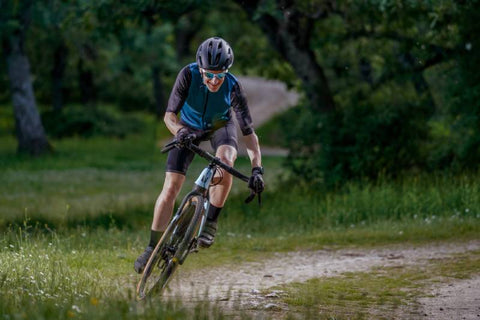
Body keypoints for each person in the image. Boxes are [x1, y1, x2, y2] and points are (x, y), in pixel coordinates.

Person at [134, 37, 264, 273]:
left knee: (226, 160)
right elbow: (169, 116)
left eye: (220, 75)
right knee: (171, 186)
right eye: (209, 75)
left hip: (220, 127)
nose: (214, 80)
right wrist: (180, 131)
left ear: (227, 72)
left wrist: (257, 169)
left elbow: (249, 135)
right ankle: (152, 247)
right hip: (188, 128)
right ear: (200, 69)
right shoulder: (187, 74)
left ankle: (210, 222)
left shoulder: (233, 86)